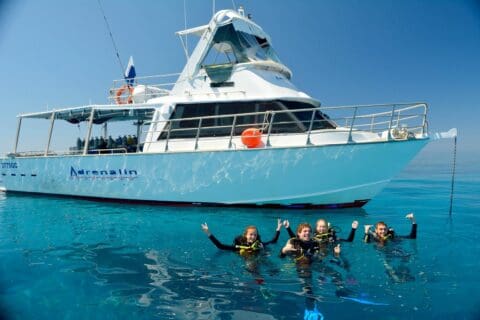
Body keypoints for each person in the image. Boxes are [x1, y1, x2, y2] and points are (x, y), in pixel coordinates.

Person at [201, 219, 283, 255]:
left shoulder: (259, 245)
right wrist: (208, 233)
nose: (253, 236)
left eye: (255, 234)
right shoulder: (239, 246)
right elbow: (220, 246)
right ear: (246, 235)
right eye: (251, 234)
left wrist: (278, 228)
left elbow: (273, 241)